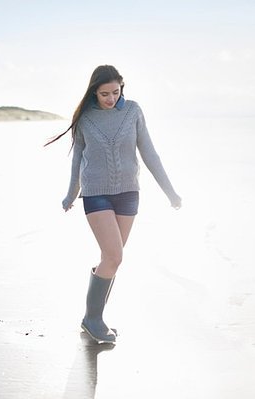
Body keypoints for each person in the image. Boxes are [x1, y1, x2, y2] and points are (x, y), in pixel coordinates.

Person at [45, 65, 182, 344]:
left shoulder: (133, 111)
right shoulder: (85, 118)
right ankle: (92, 319)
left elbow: (149, 153)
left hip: (129, 193)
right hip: (96, 193)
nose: (110, 98)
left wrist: (170, 192)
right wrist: (71, 194)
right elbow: (77, 159)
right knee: (114, 257)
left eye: (115, 92)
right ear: (94, 92)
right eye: (104, 93)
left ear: (122, 88)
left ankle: (94, 318)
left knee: (111, 259)